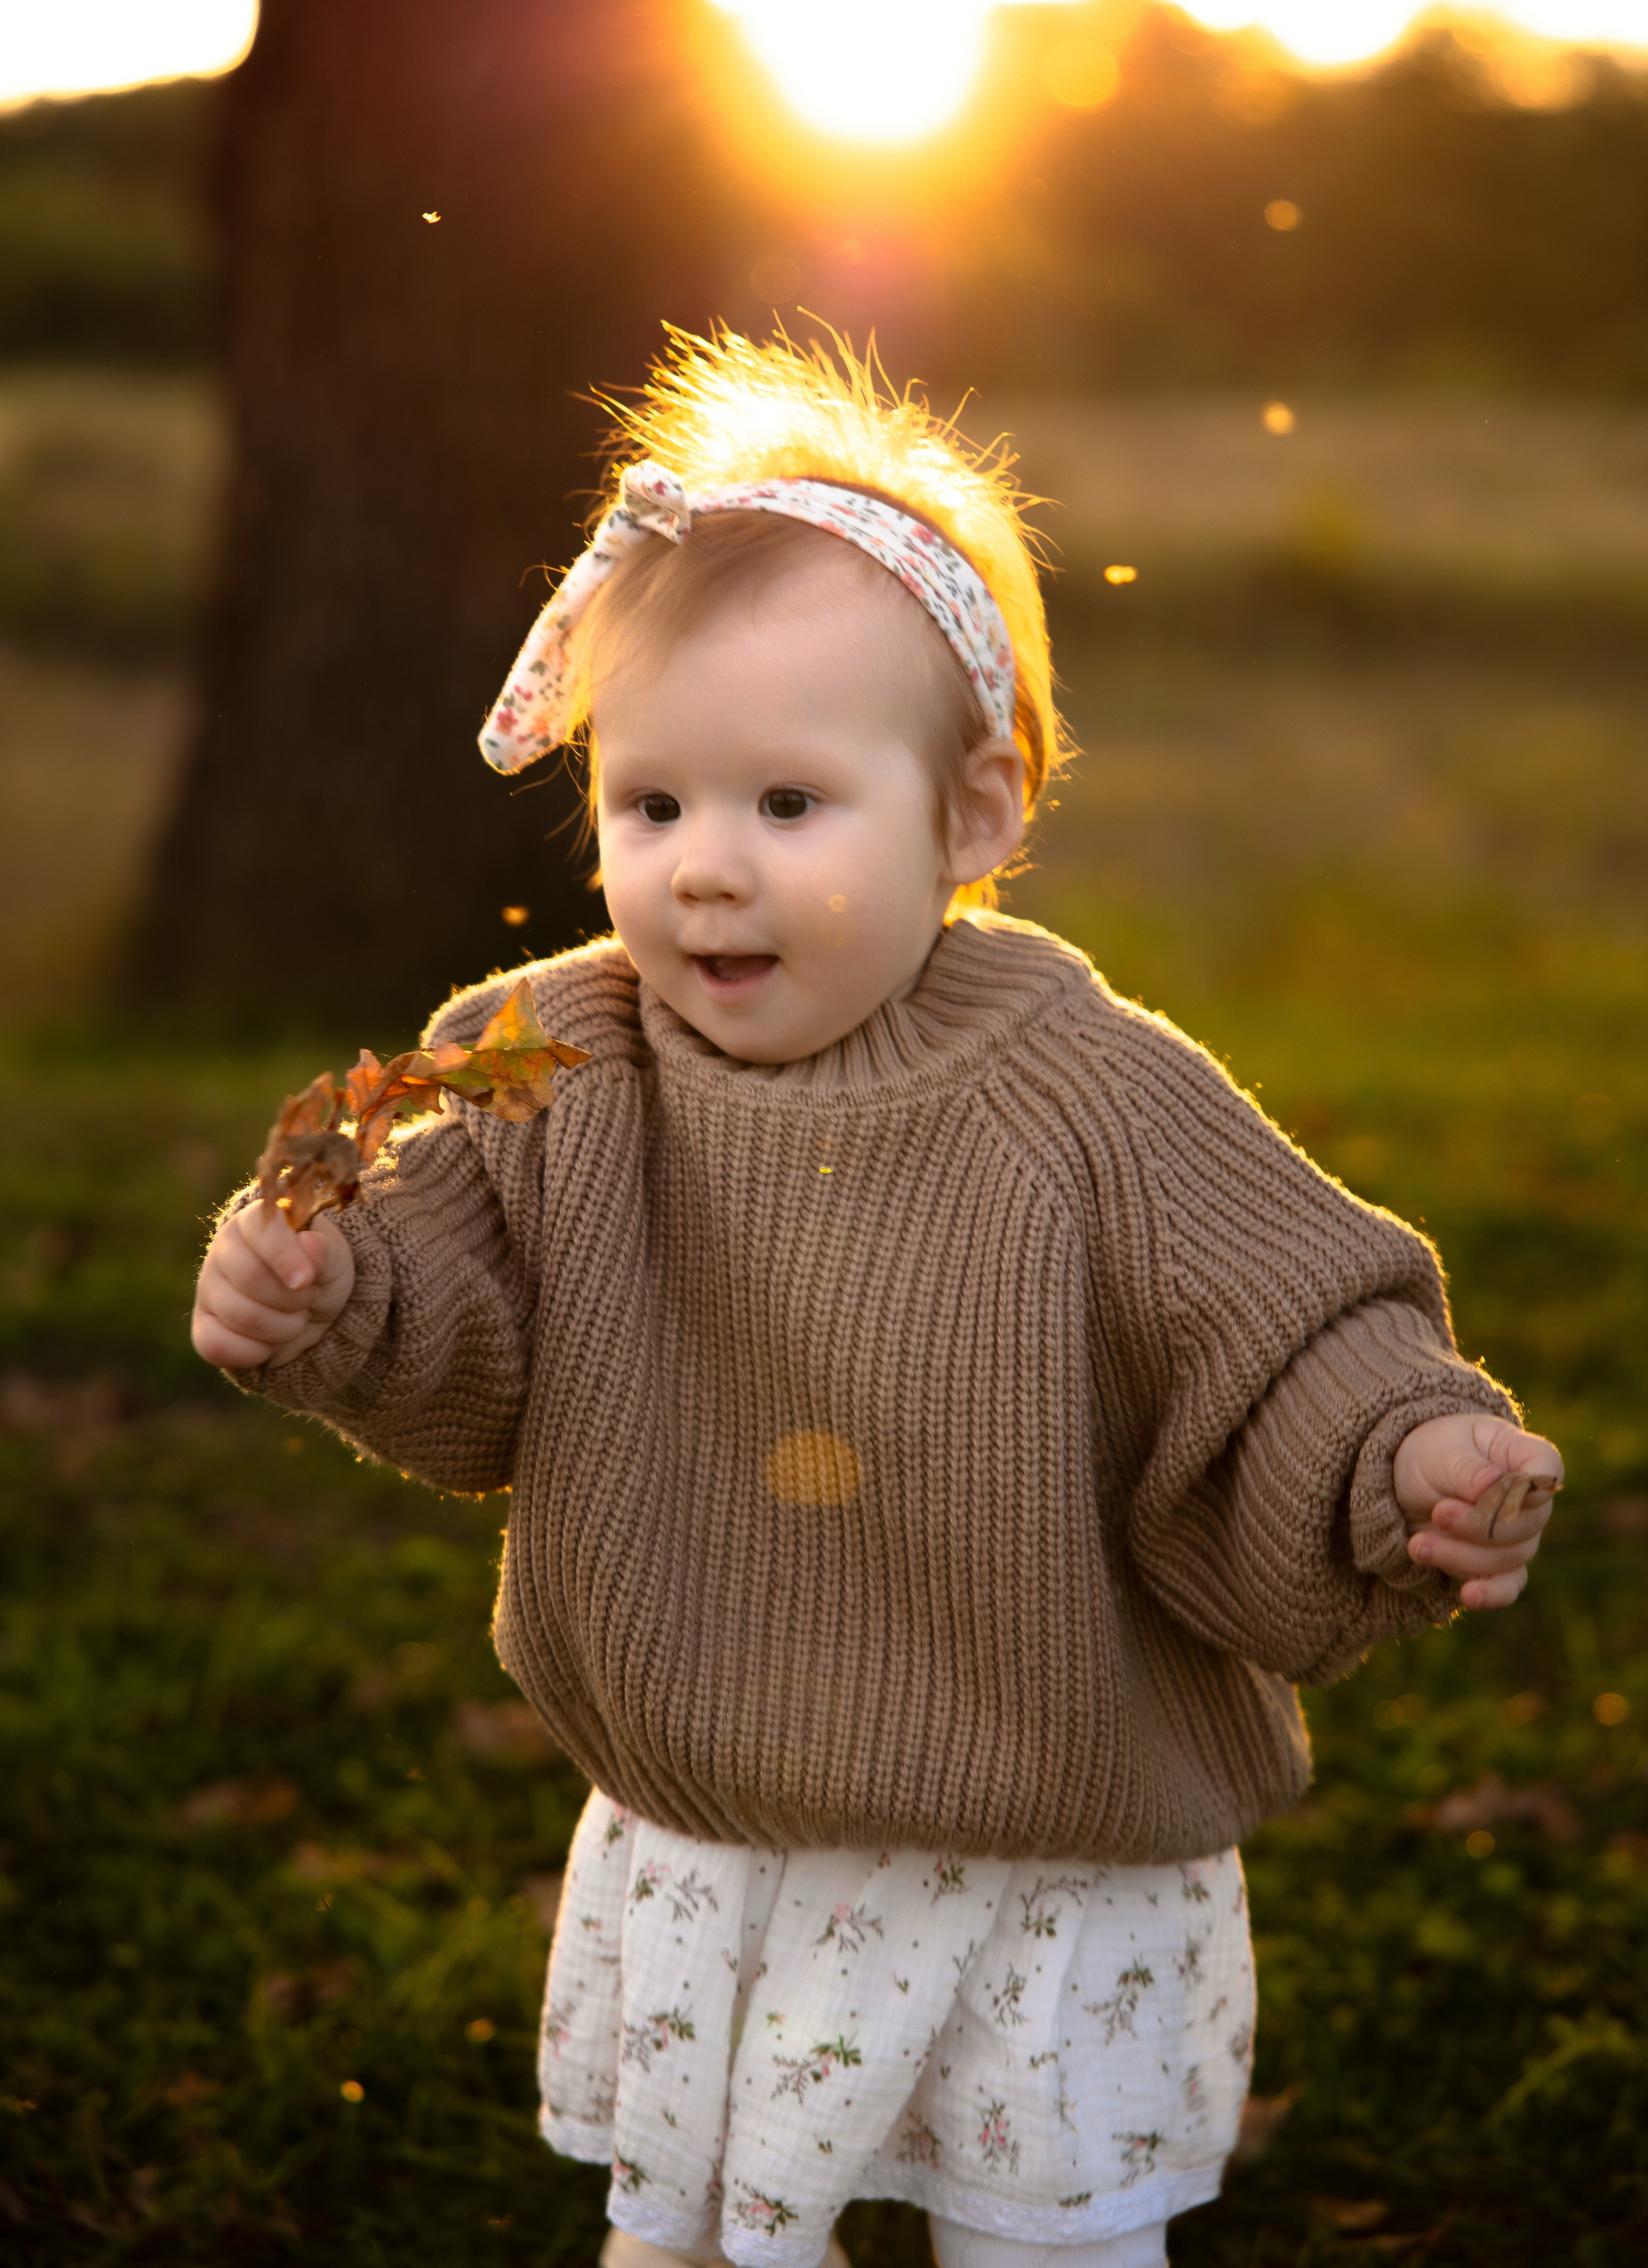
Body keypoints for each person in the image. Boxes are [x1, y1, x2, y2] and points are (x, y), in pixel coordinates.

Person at [192, 328, 1562, 2268]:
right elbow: (461, 1315)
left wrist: (1407, 1452)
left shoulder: (1084, 1089)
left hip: (1039, 1849)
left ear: (973, 818)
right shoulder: (553, 1059)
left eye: (788, 804)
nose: (705, 873)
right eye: (651, 806)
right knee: (695, 2234)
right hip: (719, 1831)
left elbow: (1289, 1333)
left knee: (1044, 2242)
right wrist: (328, 1294)